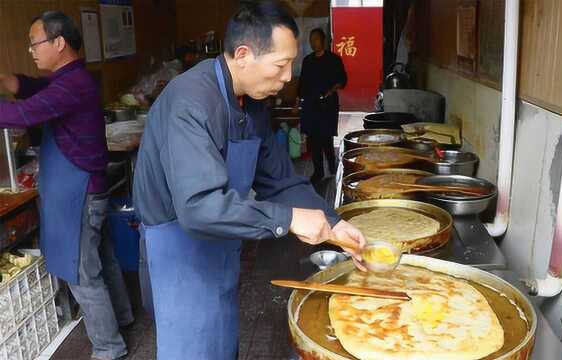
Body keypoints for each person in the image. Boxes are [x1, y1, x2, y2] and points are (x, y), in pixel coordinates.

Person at [132, 2, 366, 359]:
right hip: (180, 250)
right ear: (243, 55)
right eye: (281, 65)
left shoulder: (251, 106)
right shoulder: (190, 102)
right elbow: (198, 206)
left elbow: (281, 180)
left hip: (221, 242)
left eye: (291, 64)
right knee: (192, 349)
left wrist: (334, 225)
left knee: (223, 346)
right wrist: (287, 219)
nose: (288, 77)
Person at [0, 11, 133, 360]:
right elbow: (29, 88)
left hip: (80, 195)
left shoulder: (71, 86)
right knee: (102, 259)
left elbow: (22, 114)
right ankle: (121, 318)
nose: (30, 50)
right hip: (88, 191)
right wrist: (7, 79)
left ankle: (109, 348)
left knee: (82, 275)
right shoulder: (69, 79)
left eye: (34, 43)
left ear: (58, 43)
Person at [298, 27, 347, 183]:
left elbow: (342, 80)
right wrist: (297, 100)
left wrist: (332, 90)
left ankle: (332, 167)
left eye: (316, 39)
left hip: (328, 104)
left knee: (326, 138)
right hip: (311, 105)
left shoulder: (334, 60)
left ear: (323, 41)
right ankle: (318, 171)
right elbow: (302, 84)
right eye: (311, 40)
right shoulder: (307, 61)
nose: (313, 43)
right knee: (312, 139)